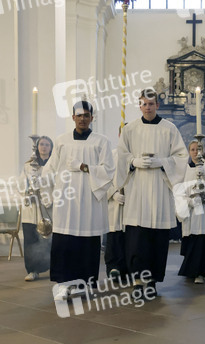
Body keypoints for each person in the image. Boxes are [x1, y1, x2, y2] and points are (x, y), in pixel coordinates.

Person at [114, 88, 188, 297]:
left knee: (156, 240)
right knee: (137, 240)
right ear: (139, 105)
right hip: (137, 190)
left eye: (151, 103)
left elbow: (181, 157)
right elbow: (120, 155)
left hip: (159, 190)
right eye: (144, 104)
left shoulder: (169, 128)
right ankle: (138, 282)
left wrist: (162, 162)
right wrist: (132, 161)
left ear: (157, 105)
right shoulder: (129, 129)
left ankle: (152, 282)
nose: (148, 107)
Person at [42, 100, 115, 299]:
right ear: (73, 117)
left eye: (86, 115)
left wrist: (83, 166)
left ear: (92, 117)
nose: (83, 119)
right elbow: (51, 168)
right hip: (66, 199)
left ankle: (85, 284)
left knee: (88, 242)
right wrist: (44, 188)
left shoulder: (101, 142)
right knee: (64, 241)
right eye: (79, 115)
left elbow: (109, 170)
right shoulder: (62, 140)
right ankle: (63, 284)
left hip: (90, 198)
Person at [173, 140, 205, 284]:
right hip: (190, 212)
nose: (195, 152)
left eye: (198, 149)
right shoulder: (183, 169)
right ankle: (190, 271)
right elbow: (178, 191)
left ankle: (200, 273)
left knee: (202, 243)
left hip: (204, 213)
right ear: (189, 151)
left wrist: (204, 182)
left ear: (202, 151)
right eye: (192, 149)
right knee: (191, 242)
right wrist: (190, 202)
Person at [18, 136, 53, 281]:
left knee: (48, 239)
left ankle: (53, 267)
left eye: (46, 144)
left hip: (48, 206)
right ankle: (32, 270)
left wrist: (45, 190)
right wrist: (28, 191)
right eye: (41, 144)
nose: (43, 147)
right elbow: (21, 182)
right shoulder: (29, 165)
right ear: (37, 147)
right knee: (31, 239)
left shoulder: (54, 164)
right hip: (31, 207)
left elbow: (58, 183)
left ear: (51, 148)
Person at [104, 126, 128, 281]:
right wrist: (113, 193)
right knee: (114, 236)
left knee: (129, 238)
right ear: (119, 134)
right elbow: (103, 178)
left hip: (130, 204)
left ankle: (127, 269)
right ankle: (113, 267)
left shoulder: (135, 156)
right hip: (114, 202)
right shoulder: (110, 156)